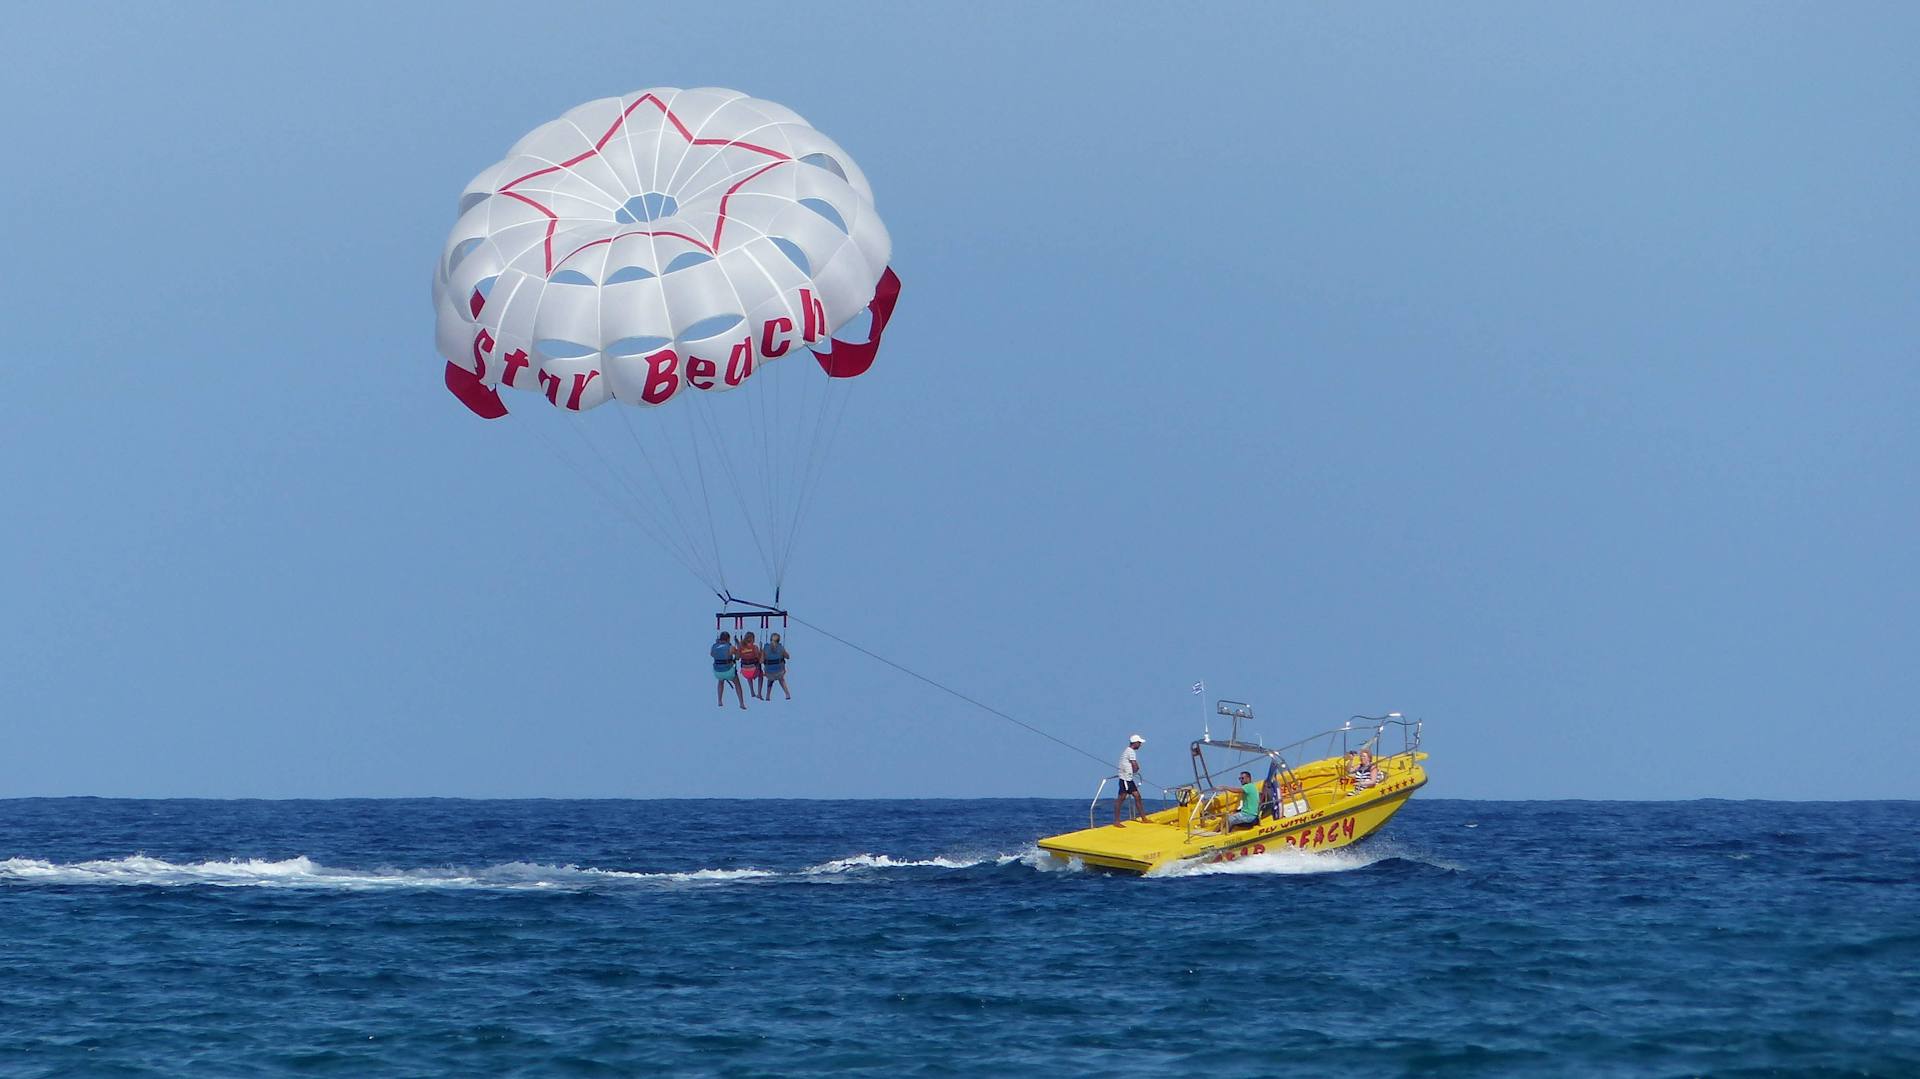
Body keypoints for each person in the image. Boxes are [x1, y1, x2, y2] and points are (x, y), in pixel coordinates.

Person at [1113, 734, 1147, 825]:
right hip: (1125, 779)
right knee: (1121, 798)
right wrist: (1136, 770)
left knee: (1137, 796)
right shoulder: (1131, 751)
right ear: (1135, 743)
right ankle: (1116, 821)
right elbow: (1134, 765)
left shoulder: (1128, 750)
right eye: (1139, 743)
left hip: (1129, 779)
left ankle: (1144, 818)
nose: (1140, 745)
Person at [711, 631, 745, 709]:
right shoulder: (730, 647)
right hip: (728, 671)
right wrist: (738, 645)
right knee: (737, 683)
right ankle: (741, 703)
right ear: (728, 639)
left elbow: (712, 654)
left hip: (717, 672)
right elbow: (738, 657)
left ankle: (719, 701)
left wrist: (717, 644)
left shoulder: (714, 646)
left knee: (720, 681)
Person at [761, 633, 791, 700]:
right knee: (781, 679)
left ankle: (768, 696)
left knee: (770, 679)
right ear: (778, 640)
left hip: (769, 673)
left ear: (770, 639)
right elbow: (788, 657)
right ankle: (787, 694)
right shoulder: (781, 647)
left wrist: (762, 652)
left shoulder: (765, 647)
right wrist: (782, 652)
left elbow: (761, 661)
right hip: (780, 672)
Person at [737, 631, 763, 700]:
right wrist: (761, 649)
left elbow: (737, 657)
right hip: (754, 672)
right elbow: (759, 659)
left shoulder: (741, 647)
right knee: (760, 673)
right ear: (753, 639)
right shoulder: (755, 647)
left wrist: (738, 645)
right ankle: (759, 693)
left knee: (748, 668)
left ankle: (752, 691)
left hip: (745, 673)